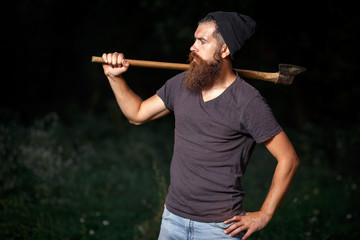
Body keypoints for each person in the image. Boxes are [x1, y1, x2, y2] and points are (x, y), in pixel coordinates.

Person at [101, 11, 299, 240]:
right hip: (172, 220)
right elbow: (136, 114)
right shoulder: (183, 84)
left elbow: (289, 159)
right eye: (195, 39)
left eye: (202, 41)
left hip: (218, 229)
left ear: (225, 50)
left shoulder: (248, 102)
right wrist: (114, 77)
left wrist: (264, 214)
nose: (192, 46)